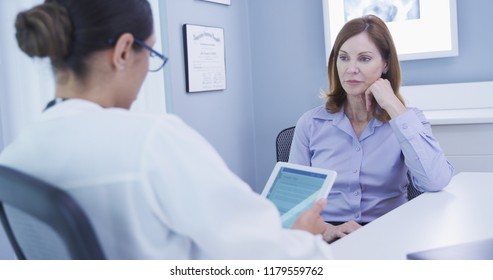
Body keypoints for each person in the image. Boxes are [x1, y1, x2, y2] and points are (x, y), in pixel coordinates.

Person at [0, 0, 332, 259]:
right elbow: (264, 257)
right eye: (151, 52)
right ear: (123, 51)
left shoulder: (16, 155)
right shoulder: (150, 142)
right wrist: (303, 237)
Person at [289, 15, 455, 242]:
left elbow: (436, 181)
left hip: (390, 234)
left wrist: (393, 106)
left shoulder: (408, 120)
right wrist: (326, 230)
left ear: (385, 64)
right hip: (328, 236)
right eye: (344, 58)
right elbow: (294, 204)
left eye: (364, 59)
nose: (351, 69)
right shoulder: (310, 124)